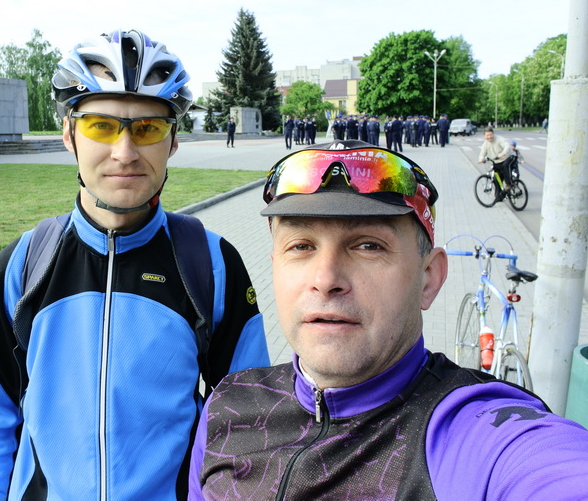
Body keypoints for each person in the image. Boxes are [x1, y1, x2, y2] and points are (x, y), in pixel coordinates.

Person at [0, 29, 270, 500]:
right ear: (69, 134)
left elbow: (248, 420)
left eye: (147, 129)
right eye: (101, 126)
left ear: (173, 140)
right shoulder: (23, 265)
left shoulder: (211, 264)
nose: (124, 152)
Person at [189, 140, 588, 500]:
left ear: (429, 278)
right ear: (275, 265)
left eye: (368, 245)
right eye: (301, 246)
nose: (325, 279)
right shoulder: (227, 406)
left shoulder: (475, 430)